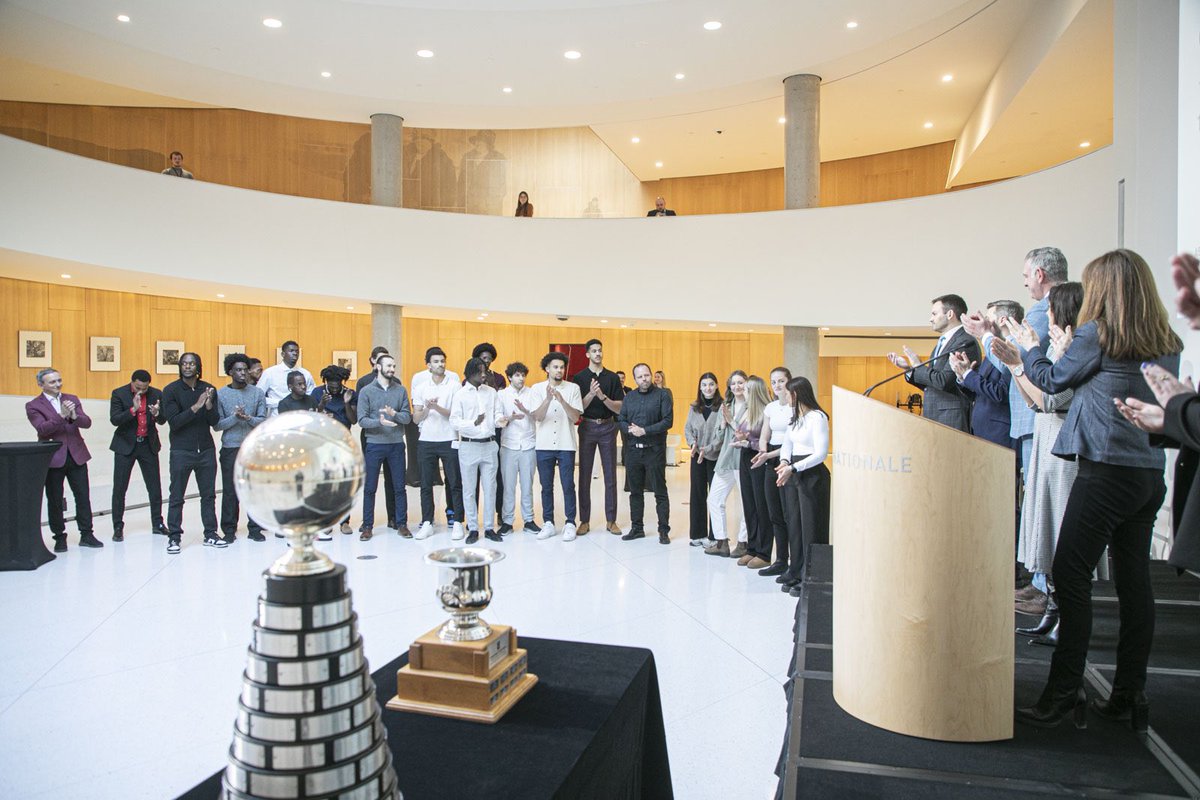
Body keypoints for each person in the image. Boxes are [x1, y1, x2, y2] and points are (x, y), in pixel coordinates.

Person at [1005, 249, 1181, 731]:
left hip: (1104, 471)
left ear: (1102, 289)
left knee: (1069, 574)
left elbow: (1051, 380)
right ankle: (1129, 694)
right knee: (1133, 585)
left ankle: (1063, 692)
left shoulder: (1096, 334)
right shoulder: (1167, 340)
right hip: (1147, 474)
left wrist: (1028, 346)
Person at [993, 283, 1083, 640]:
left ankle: (1066, 619)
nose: (1046, 317)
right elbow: (1035, 401)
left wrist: (1021, 362)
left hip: (1064, 447)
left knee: (1061, 536)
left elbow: (1051, 399)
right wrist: (1017, 367)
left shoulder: (1076, 351)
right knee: (1047, 533)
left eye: (1049, 311)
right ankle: (1053, 610)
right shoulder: (1060, 349)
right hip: (1047, 438)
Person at [963, 247, 1068, 477]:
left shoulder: (1043, 309)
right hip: (1042, 413)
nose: (1025, 283)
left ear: (1039, 274)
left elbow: (1010, 361)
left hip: (1039, 415)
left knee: (1037, 497)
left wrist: (985, 335)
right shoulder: (1059, 304)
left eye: (1026, 276)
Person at [26, 368, 100, 552]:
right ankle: (59, 536)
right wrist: (61, 416)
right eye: (52, 382)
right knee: (55, 499)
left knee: (83, 496)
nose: (58, 384)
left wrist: (74, 416)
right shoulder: (33, 405)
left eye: (59, 380)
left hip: (77, 454)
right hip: (53, 458)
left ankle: (87, 534)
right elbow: (42, 429)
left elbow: (87, 422)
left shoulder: (72, 398)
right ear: (41, 384)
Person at [887, 293, 979, 432]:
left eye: (934, 314)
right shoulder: (942, 343)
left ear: (949, 314)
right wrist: (909, 369)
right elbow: (932, 384)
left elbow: (944, 381)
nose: (931, 319)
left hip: (951, 417)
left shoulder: (964, 341)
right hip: (935, 416)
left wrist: (918, 366)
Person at [774, 377, 830, 597]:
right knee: (795, 524)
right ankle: (795, 569)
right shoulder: (795, 417)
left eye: (787, 394)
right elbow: (787, 443)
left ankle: (812, 575)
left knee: (811, 526)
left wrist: (794, 468)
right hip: (794, 471)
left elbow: (821, 453)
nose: (784, 397)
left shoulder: (818, 417)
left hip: (812, 475)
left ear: (796, 394)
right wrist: (785, 462)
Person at [161, 352, 221, 553]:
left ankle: (211, 534)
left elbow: (214, 421)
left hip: (206, 449)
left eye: (192, 363)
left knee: (209, 495)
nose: (187, 367)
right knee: (177, 495)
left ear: (198, 366)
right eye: (184, 363)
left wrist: (209, 404)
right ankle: (174, 537)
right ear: (180, 366)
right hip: (181, 450)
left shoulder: (209, 389)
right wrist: (196, 406)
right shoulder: (170, 390)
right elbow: (174, 422)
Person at [951, 300, 1022, 448]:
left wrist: (969, 374)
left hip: (999, 433)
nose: (984, 323)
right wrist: (963, 375)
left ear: (1002, 320)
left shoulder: (1013, 350)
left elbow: (1000, 393)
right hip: (982, 430)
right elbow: (981, 393)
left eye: (988, 319)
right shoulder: (991, 351)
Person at [571, 338, 624, 535]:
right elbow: (578, 409)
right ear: (587, 354)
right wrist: (592, 395)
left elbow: (620, 406)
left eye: (600, 350)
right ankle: (584, 520)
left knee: (610, 475)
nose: (598, 354)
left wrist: (602, 396)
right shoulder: (579, 378)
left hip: (608, 427)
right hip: (587, 427)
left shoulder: (612, 377)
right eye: (593, 351)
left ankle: (611, 520)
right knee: (584, 476)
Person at [529, 352, 584, 541]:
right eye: (555, 367)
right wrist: (547, 399)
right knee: (546, 486)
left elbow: (576, 417)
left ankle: (570, 523)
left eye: (562, 367)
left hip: (566, 444)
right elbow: (537, 417)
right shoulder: (536, 389)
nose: (559, 370)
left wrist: (561, 400)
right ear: (547, 369)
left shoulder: (573, 388)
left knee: (568, 485)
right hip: (543, 445)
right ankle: (548, 523)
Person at [108, 368, 168, 541]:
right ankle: (118, 526)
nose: (141, 390)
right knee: (120, 488)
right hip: (125, 445)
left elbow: (163, 419)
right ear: (132, 382)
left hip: (148, 444)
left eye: (145, 388)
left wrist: (157, 414)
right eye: (138, 387)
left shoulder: (156, 393)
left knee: (154, 487)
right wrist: (133, 409)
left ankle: (157, 523)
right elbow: (114, 419)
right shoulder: (119, 394)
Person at [356, 354, 411, 541]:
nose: (392, 369)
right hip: (374, 445)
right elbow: (361, 420)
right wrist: (379, 422)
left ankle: (402, 524)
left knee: (399, 487)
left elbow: (407, 418)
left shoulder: (401, 390)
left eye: (393, 366)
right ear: (378, 367)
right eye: (388, 365)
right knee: (370, 487)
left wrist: (394, 414)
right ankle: (367, 526)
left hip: (396, 444)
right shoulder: (366, 391)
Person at [214, 354, 267, 543]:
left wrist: (248, 419)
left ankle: (255, 528)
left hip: (253, 447)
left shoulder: (257, 393)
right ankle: (229, 529)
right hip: (231, 447)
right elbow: (217, 425)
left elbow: (262, 421)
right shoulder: (220, 394)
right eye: (238, 370)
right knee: (230, 490)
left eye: (245, 369)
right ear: (230, 372)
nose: (243, 373)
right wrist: (235, 417)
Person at [618, 363, 673, 544]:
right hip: (633, 451)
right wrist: (630, 430)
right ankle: (637, 528)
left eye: (647, 375)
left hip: (654, 450)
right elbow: (622, 419)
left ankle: (663, 530)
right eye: (640, 377)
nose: (644, 379)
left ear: (651, 375)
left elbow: (667, 421)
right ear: (635, 379)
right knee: (635, 492)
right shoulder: (630, 397)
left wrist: (645, 430)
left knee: (660, 491)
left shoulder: (663, 395)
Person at [412, 347, 463, 540]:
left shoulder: (454, 385)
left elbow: (455, 414)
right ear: (428, 365)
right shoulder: (421, 387)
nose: (440, 364)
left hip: (449, 438)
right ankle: (427, 522)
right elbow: (416, 418)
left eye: (442, 361)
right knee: (426, 483)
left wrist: (437, 407)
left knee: (454, 482)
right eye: (436, 361)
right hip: (426, 440)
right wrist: (427, 409)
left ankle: (458, 521)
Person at [451, 357, 501, 544]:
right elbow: (454, 421)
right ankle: (472, 528)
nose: (483, 374)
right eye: (479, 371)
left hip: (489, 444)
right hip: (469, 445)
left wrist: (501, 420)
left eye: (485, 370)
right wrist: (474, 423)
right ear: (469, 373)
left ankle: (489, 527)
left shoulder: (491, 392)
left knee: (490, 489)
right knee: (469, 490)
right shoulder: (460, 394)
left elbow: (497, 414)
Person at [750, 368, 794, 577]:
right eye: (774, 381)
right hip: (770, 459)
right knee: (774, 513)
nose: (777, 385)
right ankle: (780, 560)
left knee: (788, 513)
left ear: (789, 382)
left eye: (781, 381)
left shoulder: (796, 407)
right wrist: (763, 451)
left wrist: (770, 455)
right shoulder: (770, 407)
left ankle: (795, 561)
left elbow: (790, 441)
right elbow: (764, 435)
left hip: (788, 460)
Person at [705, 371, 751, 558]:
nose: (737, 386)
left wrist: (731, 422)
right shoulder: (727, 405)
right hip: (726, 460)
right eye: (733, 384)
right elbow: (719, 436)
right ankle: (722, 542)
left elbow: (751, 433)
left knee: (746, 503)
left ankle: (743, 542)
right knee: (714, 499)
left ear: (747, 384)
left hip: (744, 460)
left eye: (741, 382)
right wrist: (723, 425)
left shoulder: (753, 407)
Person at [312, 364, 357, 537]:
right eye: (331, 385)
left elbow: (353, 420)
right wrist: (322, 405)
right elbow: (313, 417)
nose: (335, 388)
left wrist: (346, 403)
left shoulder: (349, 394)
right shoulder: (317, 393)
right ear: (325, 382)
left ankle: (345, 521)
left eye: (338, 385)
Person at [736, 376, 774, 568]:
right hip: (745, 456)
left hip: (758, 459)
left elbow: (765, 442)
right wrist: (741, 439)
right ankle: (751, 547)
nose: (743, 391)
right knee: (749, 504)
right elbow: (744, 433)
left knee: (761, 506)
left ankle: (764, 552)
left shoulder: (766, 412)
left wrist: (747, 441)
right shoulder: (746, 410)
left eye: (747, 389)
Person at [496, 362, 538, 534]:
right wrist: (511, 418)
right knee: (508, 486)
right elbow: (498, 420)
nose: (521, 378)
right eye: (517, 375)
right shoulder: (501, 395)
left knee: (527, 485)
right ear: (509, 377)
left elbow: (537, 416)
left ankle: (529, 520)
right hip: (508, 446)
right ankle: (507, 521)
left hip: (529, 445)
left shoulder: (532, 393)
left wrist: (525, 410)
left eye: (523, 375)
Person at [684, 373, 723, 547]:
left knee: (714, 497)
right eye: (704, 385)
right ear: (700, 388)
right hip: (696, 457)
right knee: (698, 494)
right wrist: (692, 444)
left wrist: (709, 448)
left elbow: (723, 434)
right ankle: (697, 534)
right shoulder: (694, 408)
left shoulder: (723, 407)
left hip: (715, 457)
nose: (708, 388)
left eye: (711, 384)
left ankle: (715, 536)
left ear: (716, 386)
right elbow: (687, 429)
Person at [259, 341, 314, 415]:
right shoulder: (270, 373)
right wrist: (281, 402)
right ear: (283, 354)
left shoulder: (306, 374)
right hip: (277, 417)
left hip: (301, 417)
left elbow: (311, 395)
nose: (295, 353)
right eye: (291, 351)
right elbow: (258, 397)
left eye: (297, 351)